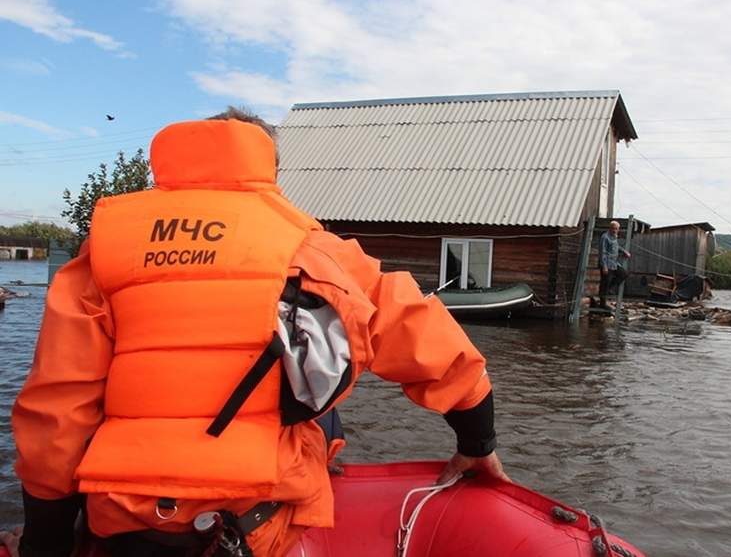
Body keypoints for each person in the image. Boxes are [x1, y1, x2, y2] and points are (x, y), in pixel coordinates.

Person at [3, 110, 508, 557]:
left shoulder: (106, 249)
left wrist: (45, 541)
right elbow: (427, 337)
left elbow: (56, 409)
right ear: (267, 166)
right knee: (321, 398)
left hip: (131, 522)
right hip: (254, 523)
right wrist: (477, 439)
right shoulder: (312, 247)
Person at [598, 220, 631, 308]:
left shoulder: (614, 237)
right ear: (610, 228)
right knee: (605, 282)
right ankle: (602, 304)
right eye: (613, 228)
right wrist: (604, 266)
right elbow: (602, 252)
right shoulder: (605, 237)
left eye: (616, 229)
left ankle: (611, 288)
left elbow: (616, 247)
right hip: (606, 264)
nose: (614, 230)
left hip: (614, 263)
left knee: (624, 274)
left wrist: (624, 251)